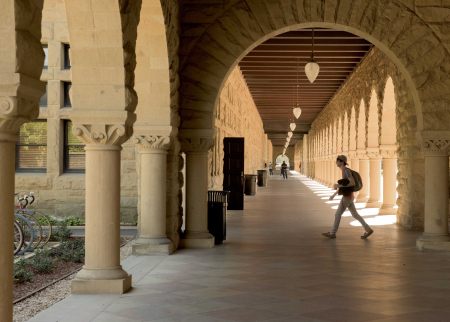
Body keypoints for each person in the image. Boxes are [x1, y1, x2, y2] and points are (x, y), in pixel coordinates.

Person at [322, 155, 374, 239]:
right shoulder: (344, 171)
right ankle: (368, 229)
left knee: (338, 214)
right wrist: (334, 195)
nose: (336, 162)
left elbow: (352, 183)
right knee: (355, 215)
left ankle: (332, 233)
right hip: (349, 197)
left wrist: (338, 185)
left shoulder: (346, 171)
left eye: (337, 161)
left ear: (342, 162)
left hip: (347, 197)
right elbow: (344, 185)